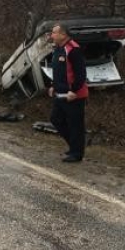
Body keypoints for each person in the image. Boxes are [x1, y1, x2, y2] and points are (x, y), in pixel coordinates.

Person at [47, 23, 88, 163]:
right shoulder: (58, 49)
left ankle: (77, 153)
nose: (51, 35)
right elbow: (59, 70)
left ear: (63, 35)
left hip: (74, 95)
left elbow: (81, 74)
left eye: (54, 33)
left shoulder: (73, 50)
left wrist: (74, 90)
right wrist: (53, 85)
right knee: (56, 119)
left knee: (75, 124)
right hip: (60, 93)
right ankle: (74, 146)